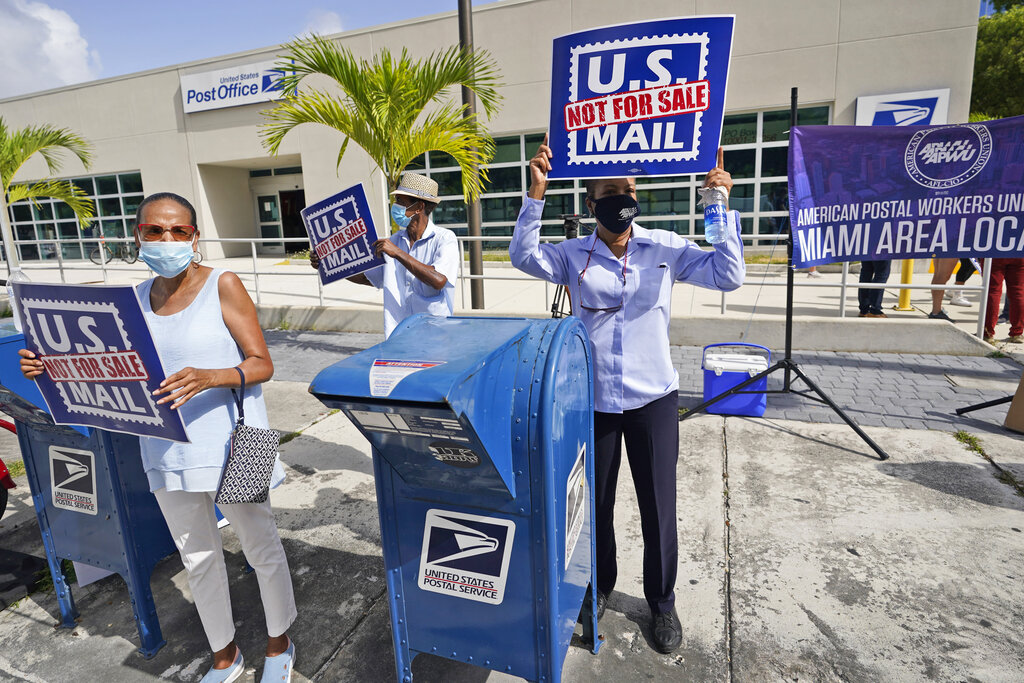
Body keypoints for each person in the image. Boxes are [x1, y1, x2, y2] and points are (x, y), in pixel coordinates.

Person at [20, 193, 296, 683]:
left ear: (194, 237)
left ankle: (279, 642)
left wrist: (212, 376)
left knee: (260, 545)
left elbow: (262, 363)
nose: (166, 240)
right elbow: (105, 369)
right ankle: (225, 656)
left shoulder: (223, 284)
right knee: (198, 556)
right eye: (154, 231)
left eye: (177, 231)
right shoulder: (132, 302)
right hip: (165, 448)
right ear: (138, 236)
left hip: (240, 443)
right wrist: (46, 368)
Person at [509, 139, 744, 654]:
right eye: (610, 192)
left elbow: (729, 275)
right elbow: (521, 254)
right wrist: (537, 194)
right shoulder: (572, 255)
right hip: (591, 402)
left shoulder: (664, 247)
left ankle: (662, 602)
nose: (623, 199)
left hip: (653, 399)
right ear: (591, 203)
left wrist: (718, 206)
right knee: (596, 503)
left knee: (659, 504)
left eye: (629, 190)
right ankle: (601, 585)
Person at [310, 172, 459, 337]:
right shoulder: (393, 242)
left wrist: (397, 253)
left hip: (434, 334)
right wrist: (329, 264)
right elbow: (368, 277)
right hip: (399, 334)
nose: (395, 207)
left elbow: (439, 280)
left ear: (419, 207)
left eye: (401, 202)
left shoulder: (444, 239)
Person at [983, 257, 1024, 344]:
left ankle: (988, 333)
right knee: (1018, 293)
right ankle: (1017, 333)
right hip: (1018, 252)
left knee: (993, 292)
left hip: (994, 252)